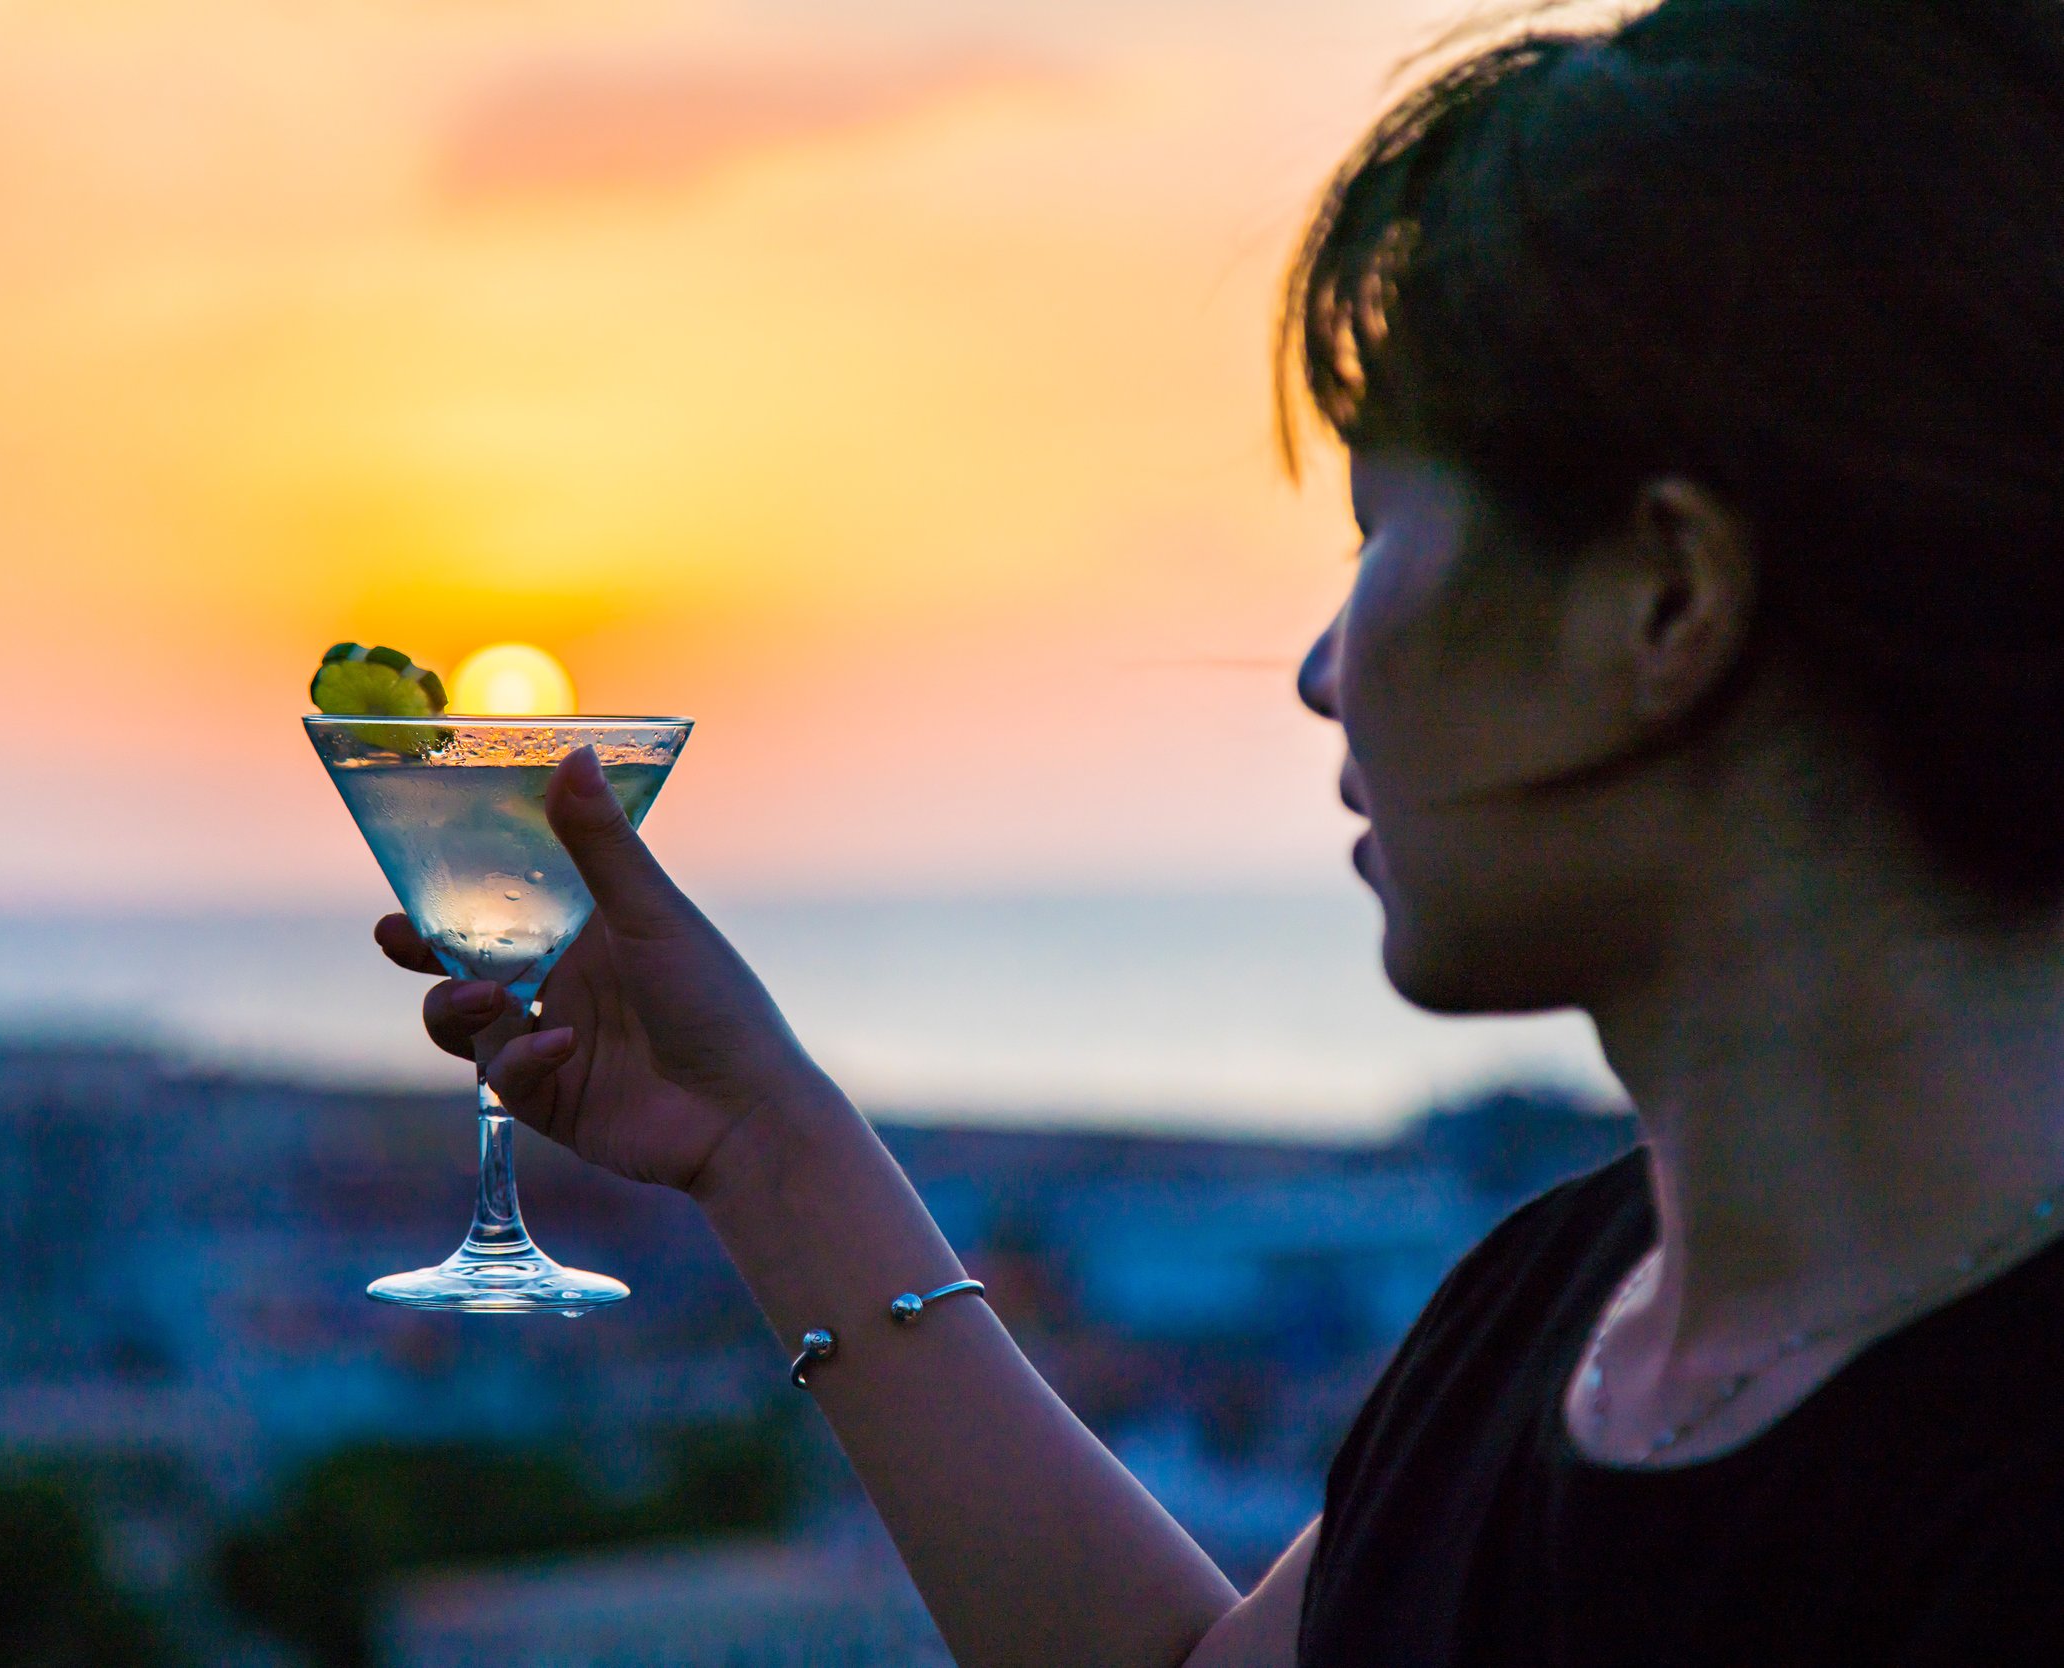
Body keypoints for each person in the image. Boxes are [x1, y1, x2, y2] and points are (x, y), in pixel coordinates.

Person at [374, 1, 2064, 1661]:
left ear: (1668, 597)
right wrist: (758, 1137)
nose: (1326, 674)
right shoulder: (1557, 1322)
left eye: (1377, 527)